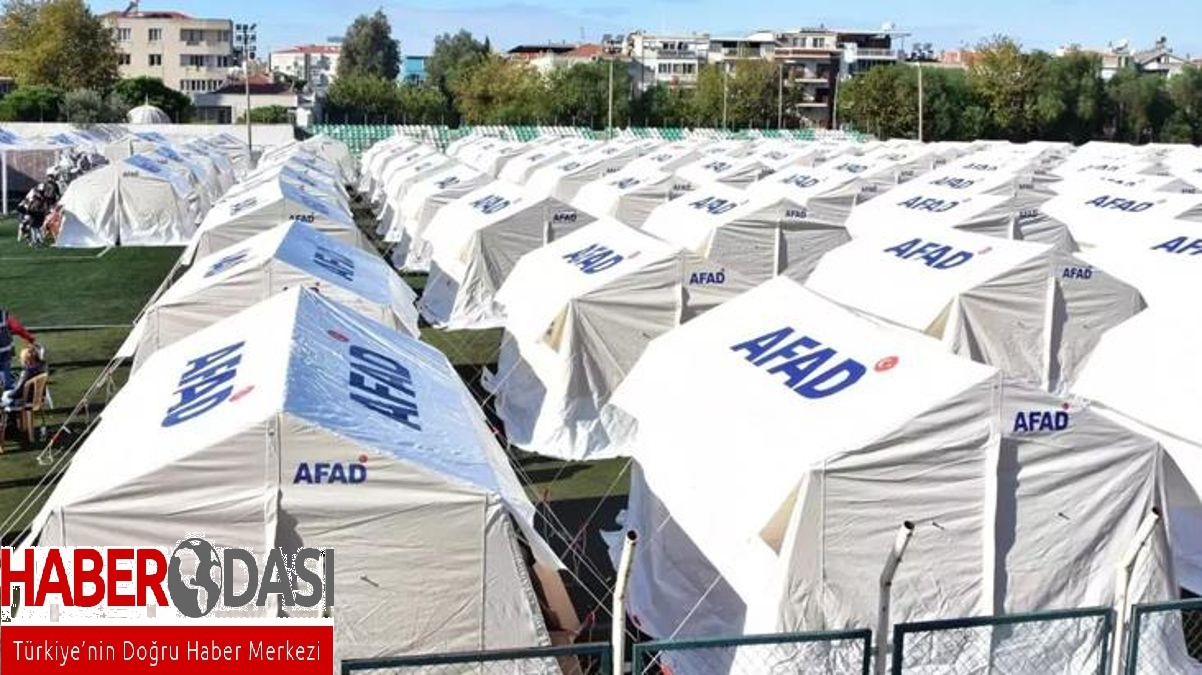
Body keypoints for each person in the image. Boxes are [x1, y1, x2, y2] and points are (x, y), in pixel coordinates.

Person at [0, 308, 36, 392]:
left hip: (4, 350)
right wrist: (29, 338)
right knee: (5, 368)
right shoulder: (4, 315)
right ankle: (7, 388)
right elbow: (17, 328)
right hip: (5, 351)